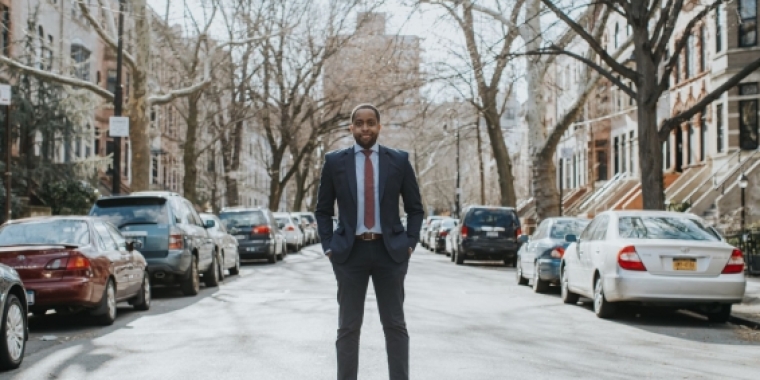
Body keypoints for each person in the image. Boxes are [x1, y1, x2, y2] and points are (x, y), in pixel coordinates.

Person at [315, 104, 424, 380]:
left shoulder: (398, 161)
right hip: (349, 254)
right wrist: (329, 246)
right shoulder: (334, 162)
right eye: (360, 123)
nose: (366, 128)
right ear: (351, 127)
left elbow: (415, 208)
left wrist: (409, 243)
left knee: (395, 325)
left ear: (379, 126)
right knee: (348, 328)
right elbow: (323, 210)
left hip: (391, 253)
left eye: (371, 123)